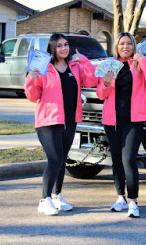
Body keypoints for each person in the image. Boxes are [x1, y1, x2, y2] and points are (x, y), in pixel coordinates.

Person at [24, 33, 97, 216]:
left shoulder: (75, 67)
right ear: (52, 48)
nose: (64, 48)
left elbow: (92, 81)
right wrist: (31, 79)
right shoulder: (44, 69)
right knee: (55, 159)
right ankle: (44, 199)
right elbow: (33, 96)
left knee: (62, 160)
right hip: (48, 121)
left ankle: (57, 196)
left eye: (66, 45)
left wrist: (84, 60)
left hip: (70, 121)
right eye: (59, 46)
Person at [97, 32, 146, 218]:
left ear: (134, 46)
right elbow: (102, 94)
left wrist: (143, 60)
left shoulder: (138, 65)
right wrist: (106, 83)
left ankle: (133, 201)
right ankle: (120, 198)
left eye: (129, 44)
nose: (126, 47)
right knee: (116, 160)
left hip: (134, 121)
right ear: (117, 46)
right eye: (122, 43)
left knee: (128, 159)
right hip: (113, 121)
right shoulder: (110, 66)